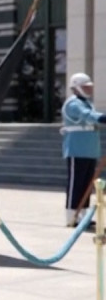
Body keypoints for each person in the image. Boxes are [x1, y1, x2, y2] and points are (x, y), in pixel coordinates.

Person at [61, 73, 106, 226]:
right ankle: (71, 216)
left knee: (87, 184)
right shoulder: (74, 104)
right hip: (77, 149)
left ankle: (83, 216)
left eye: (90, 87)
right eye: (86, 87)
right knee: (76, 183)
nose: (89, 89)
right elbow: (88, 116)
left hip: (90, 149)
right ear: (77, 87)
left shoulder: (87, 102)